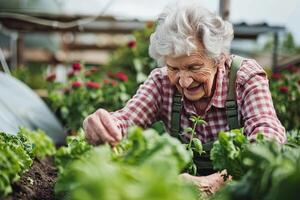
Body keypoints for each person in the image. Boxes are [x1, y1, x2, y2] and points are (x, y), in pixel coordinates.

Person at [83, 0, 286, 195]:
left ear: (219, 59)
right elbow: (126, 120)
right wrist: (105, 126)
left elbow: (268, 138)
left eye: (194, 67)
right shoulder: (161, 82)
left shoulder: (244, 78)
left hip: (240, 190)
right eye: (174, 68)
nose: (184, 81)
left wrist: (217, 183)